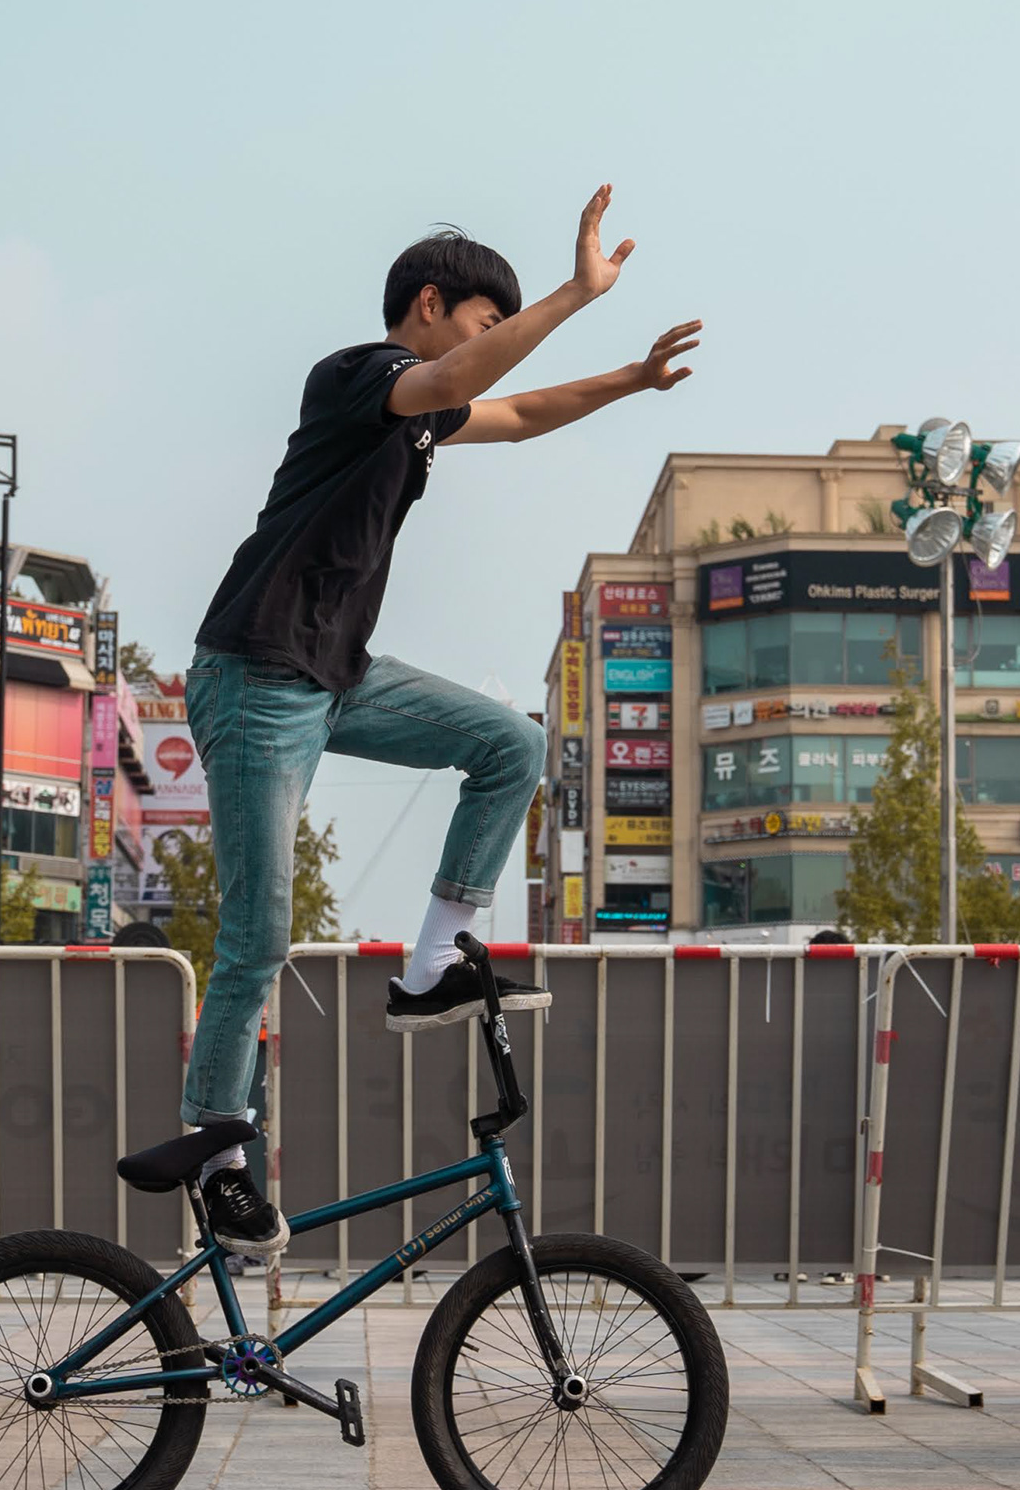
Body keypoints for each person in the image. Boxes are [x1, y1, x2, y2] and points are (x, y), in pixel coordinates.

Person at [128, 187, 703, 1251]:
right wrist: (578, 294)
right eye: (487, 326)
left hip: (336, 673)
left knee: (511, 742)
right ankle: (216, 1155)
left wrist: (631, 378)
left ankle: (433, 964)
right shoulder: (358, 375)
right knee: (258, 933)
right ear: (430, 304)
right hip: (255, 673)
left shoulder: (427, 410)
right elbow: (453, 381)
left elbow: (518, 413)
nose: (491, 352)